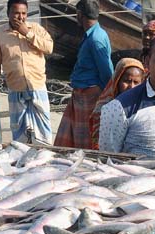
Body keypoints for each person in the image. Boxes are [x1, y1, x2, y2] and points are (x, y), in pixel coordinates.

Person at [0, 0, 53, 143]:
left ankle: (45, 154)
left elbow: (49, 47)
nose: (20, 17)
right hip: (15, 88)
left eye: (23, 13)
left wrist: (28, 34)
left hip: (37, 85)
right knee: (19, 132)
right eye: (16, 13)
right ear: (8, 14)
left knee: (43, 130)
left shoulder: (35, 28)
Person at [54, 0, 113, 149]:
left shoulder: (96, 39)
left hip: (89, 93)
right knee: (69, 132)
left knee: (84, 137)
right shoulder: (93, 34)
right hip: (81, 92)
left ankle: (86, 163)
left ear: (80, 15)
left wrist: (107, 94)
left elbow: (106, 71)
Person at [89, 57, 144, 149]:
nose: (131, 86)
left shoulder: (144, 106)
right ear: (117, 80)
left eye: (136, 82)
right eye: (127, 81)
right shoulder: (105, 106)